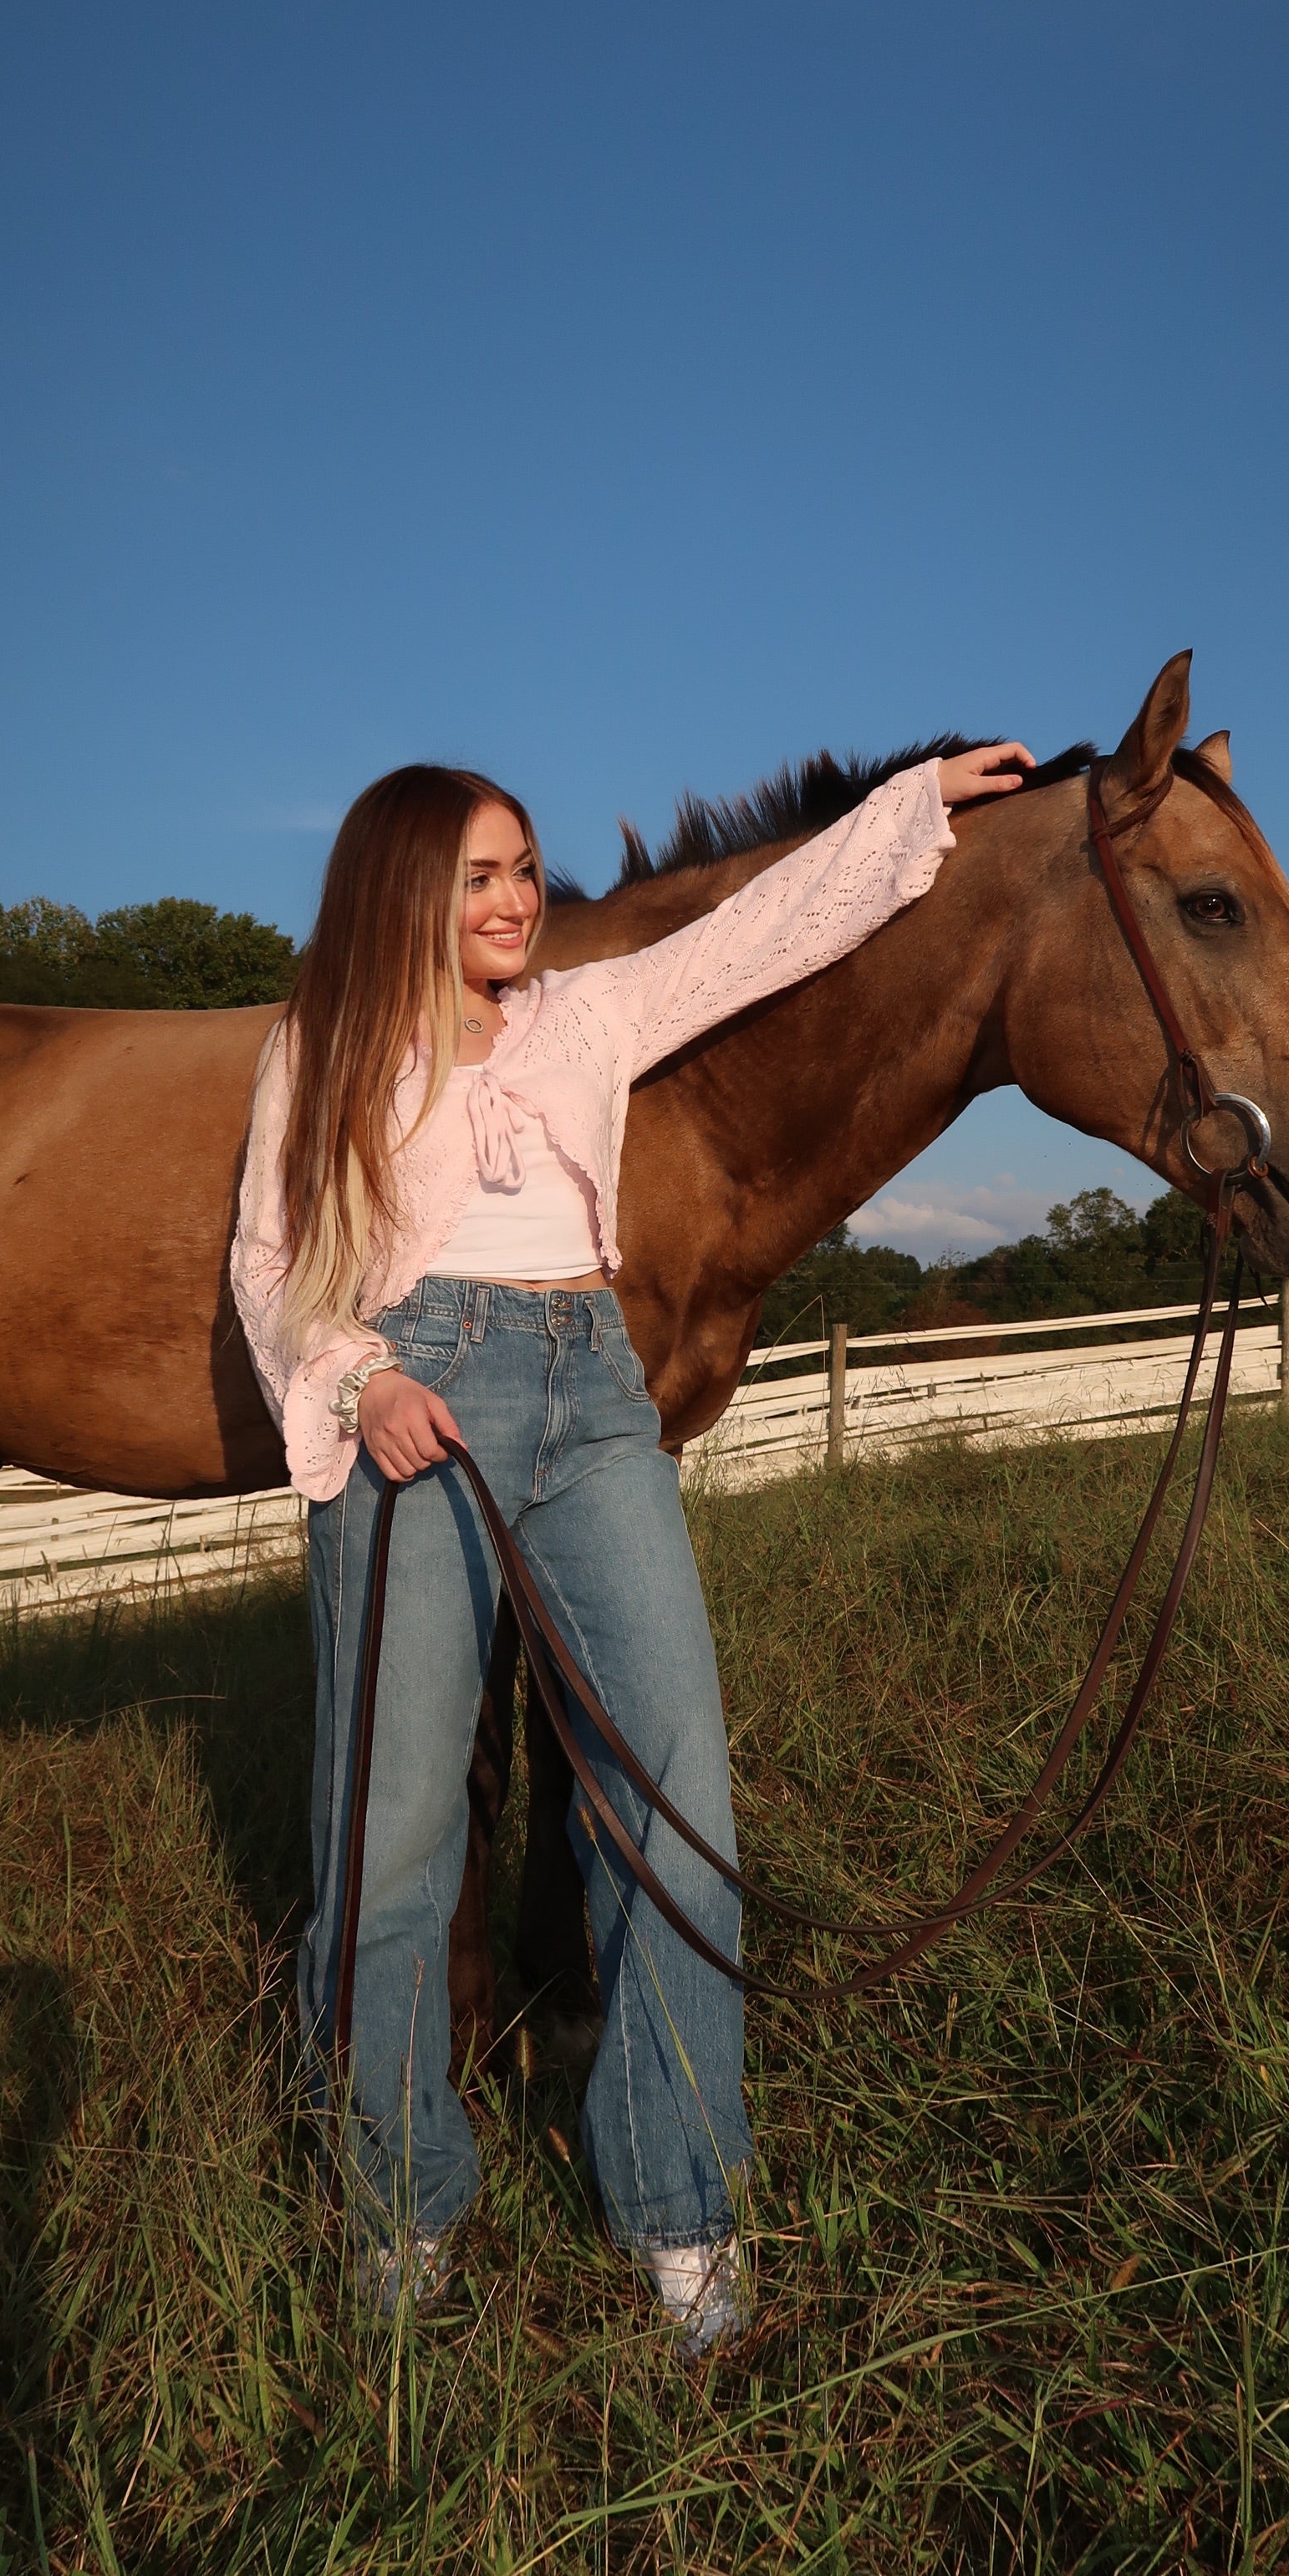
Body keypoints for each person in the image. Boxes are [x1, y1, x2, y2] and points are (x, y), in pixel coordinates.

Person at [232, 736, 1033, 2351]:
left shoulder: (590, 1016)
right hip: (415, 1407)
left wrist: (914, 808)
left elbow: (762, 935)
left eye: (525, 869)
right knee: (388, 1846)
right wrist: (362, 1377)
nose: (518, 898)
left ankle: (681, 2214)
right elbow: (275, 1258)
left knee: (671, 1808)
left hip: (593, 1396)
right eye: (480, 876)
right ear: (401, 888)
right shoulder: (321, 1046)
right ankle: (402, 2211)